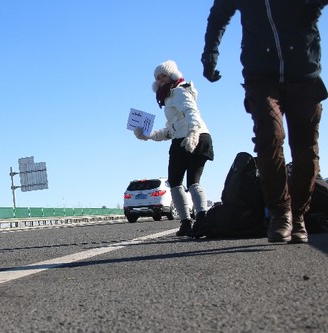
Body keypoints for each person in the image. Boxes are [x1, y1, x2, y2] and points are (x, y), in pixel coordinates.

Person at [201, 0, 328, 244]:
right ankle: (281, 214)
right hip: (261, 75)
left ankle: (299, 215)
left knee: (305, 150)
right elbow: (218, 15)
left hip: (304, 73)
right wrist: (210, 53)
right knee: (269, 136)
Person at [134, 60, 214, 237]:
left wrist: (193, 134)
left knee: (192, 181)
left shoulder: (179, 91)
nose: (161, 80)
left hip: (196, 137)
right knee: (176, 182)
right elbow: (170, 131)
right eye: (158, 78)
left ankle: (201, 220)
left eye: (164, 76)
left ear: (172, 75)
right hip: (180, 140)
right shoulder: (168, 96)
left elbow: (192, 112)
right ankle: (186, 222)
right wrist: (148, 135)